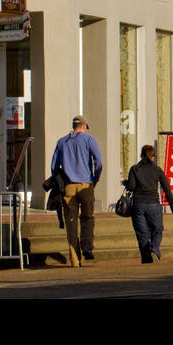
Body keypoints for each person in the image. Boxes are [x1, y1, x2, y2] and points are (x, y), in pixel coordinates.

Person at [50, 115, 103, 268]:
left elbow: (54, 167)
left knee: (71, 223)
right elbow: (98, 161)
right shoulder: (88, 140)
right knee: (87, 217)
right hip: (86, 183)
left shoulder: (62, 142)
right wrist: (95, 178)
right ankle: (86, 244)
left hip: (68, 186)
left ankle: (74, 259)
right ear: (84, 126)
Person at [125, 144, 173, 263]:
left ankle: (146, 259)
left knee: (142, 233)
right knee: (157, 229)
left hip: (138, 204)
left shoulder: (135, 169)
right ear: (152, 157)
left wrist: (126, 183)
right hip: (153, 204)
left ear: (141, 155)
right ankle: (154, 250)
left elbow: (131, 187)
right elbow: (166, 188)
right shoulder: (157, 170)